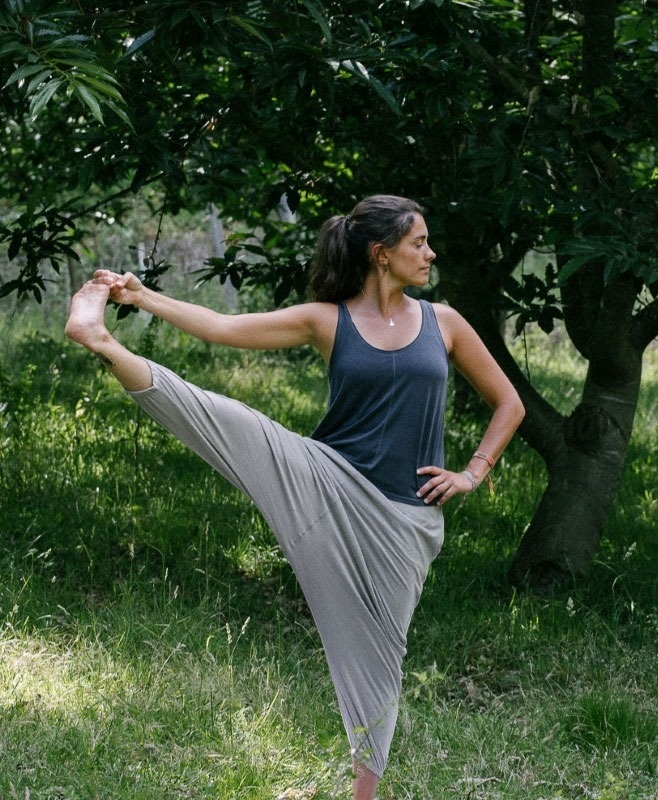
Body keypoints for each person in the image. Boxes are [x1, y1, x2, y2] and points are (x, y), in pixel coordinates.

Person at [65, 194, 524, 800]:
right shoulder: (326, 319)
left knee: (381, 659)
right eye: (419, 243)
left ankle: (363, 790)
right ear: (381, 256)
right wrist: (141, 296)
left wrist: (471, 472)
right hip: (323, 480)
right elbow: (224, 328)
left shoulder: (446, 323)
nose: (430, 253)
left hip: (406, 521)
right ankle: (101, 341)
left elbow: (509, 403)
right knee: (226, 419)